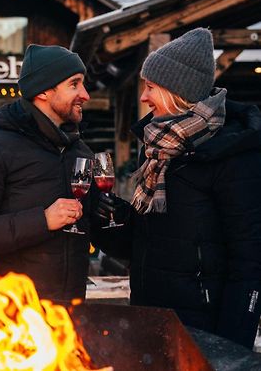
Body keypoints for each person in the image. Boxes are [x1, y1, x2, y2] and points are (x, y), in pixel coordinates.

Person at [95, 27, 261, 349]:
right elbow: (144, 246)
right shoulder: (157, 150)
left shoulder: (234, 154)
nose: (143, 97)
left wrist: (228, 349)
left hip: (202, 328)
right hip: (150, 317)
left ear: (177, 91)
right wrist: (110, 221)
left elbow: (249, 262)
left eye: (151, 87)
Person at [0, 44, 95, 300]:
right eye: (74, 84)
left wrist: (112, 215)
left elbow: (94, 226)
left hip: (69, 318)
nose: (85, 94)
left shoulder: (80, 151)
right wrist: (43, 220)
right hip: (13, 320)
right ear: (44, 91)